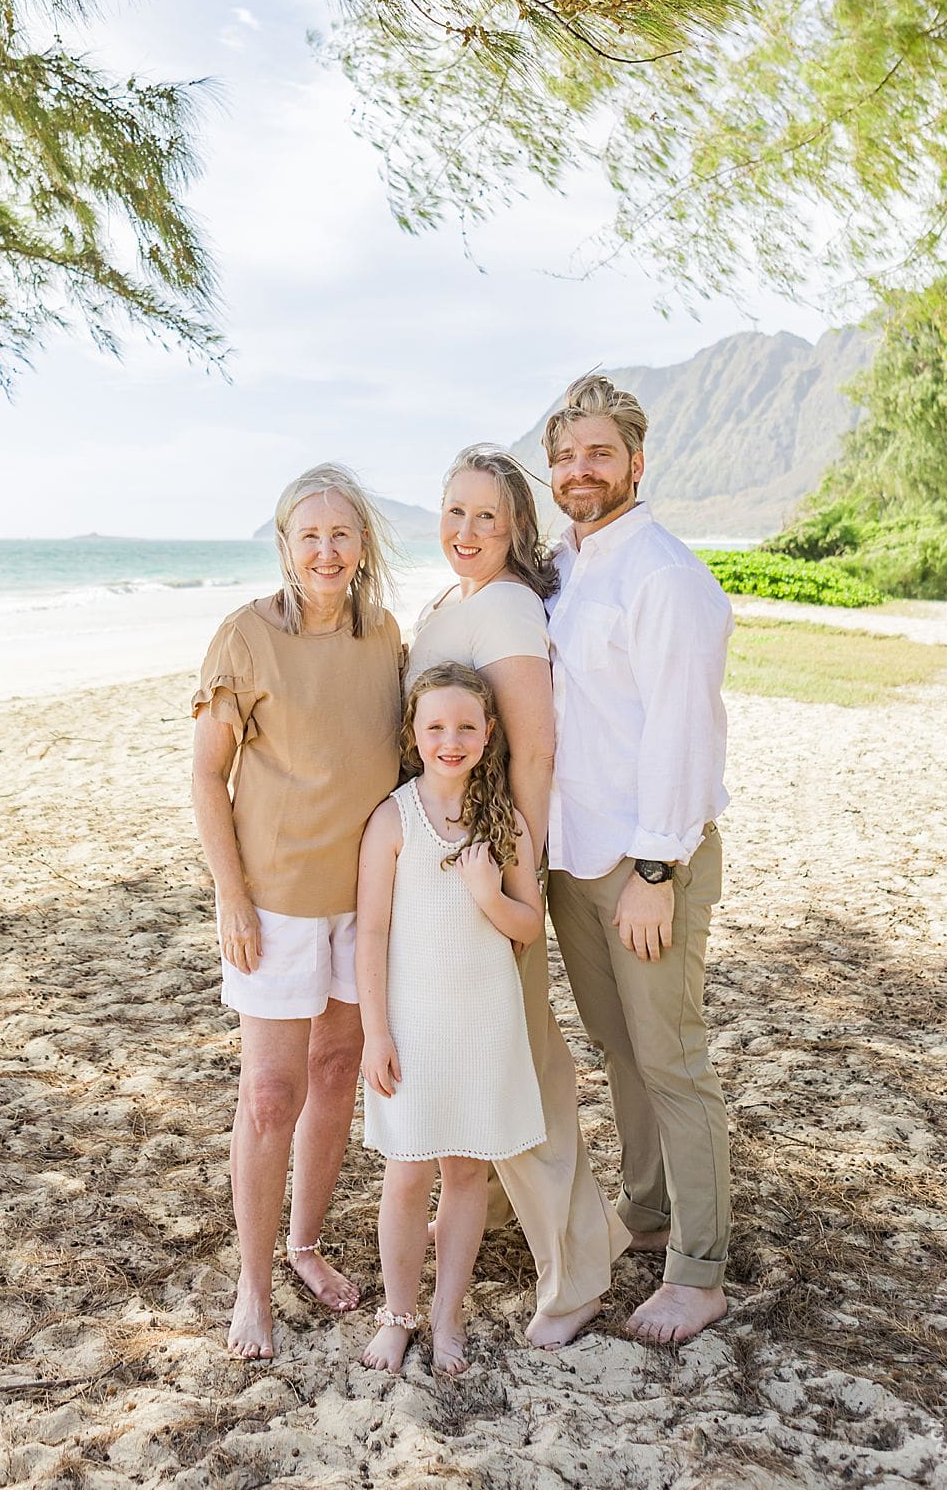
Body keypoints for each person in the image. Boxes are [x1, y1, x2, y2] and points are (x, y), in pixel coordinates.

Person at [406, 446, 629, 1348]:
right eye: (455, 512)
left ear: (515, 529)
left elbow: (532, 748)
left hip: (492, 866)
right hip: (443, 868)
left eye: (487, 518)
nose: (467, 531)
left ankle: (577, 1271)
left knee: (521, 1066)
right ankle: (508, 1213)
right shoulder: (445, 604)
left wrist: (516, 869)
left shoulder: (504, 605)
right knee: (498, 1052)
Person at [190, 463, 402, 1360]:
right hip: (273, 903)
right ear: (284, 544)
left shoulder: (384, 635)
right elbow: (208, 774)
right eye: (309, 534)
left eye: (341, 534)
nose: (326, 550)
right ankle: (253, 1284)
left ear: (362, 545)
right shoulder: (245, 636)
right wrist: (231, 894)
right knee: (271, 1093)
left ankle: (304, 1245)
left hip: (365, 902)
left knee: (337, 1069)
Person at [542, 372, 734, 1346]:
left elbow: (683, 731)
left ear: (636, 462)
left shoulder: (663, 576)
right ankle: (649, 1208)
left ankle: (699, 1271)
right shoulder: (565, 566)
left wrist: (657, 872)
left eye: (599, 453)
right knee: (620, 1049)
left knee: (672, 1060)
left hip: (645, 860)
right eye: (566, 456)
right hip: (573, 856)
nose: (581, 470)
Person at [355, 663, 546, 1375]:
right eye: (435, 726)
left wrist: (488, 894)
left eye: (466, 725)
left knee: (465, 1171)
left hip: (482, 1022)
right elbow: (372, 933)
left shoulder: (504, 821)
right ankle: (397, 1313)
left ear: (489, 732)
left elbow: (528, 925)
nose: (451, 740)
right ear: (413, 733)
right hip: (412, 1025)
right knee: (406, 1175)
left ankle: (447, 1314)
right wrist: (376, 1031)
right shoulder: (393, 819)